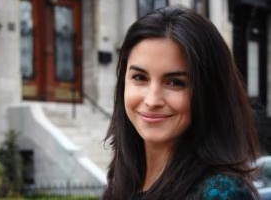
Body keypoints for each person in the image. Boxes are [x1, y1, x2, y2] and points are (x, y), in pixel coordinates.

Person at [103, 6, 260, 200]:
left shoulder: (220, 193)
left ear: (208, 92)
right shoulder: (125, 178)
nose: (152, 100)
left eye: (175, 82)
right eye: (139, 77)